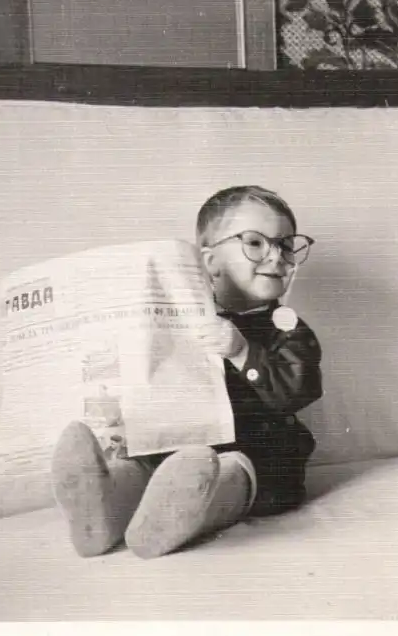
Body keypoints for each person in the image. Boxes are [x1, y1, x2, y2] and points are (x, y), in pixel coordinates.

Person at [52, 185, 323, 559]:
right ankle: (103, 507)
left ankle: (182, 517)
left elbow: (298, 391)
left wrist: (243, 352)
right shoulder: (182, 320)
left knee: (229, 472)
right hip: (179, 448)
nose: (277, 256)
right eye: (255, 243)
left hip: (260, 453)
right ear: (210, 262)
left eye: (286, 245)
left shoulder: (286, 326)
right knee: (150, 464)